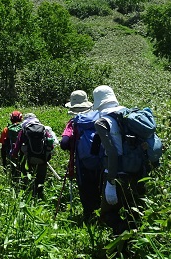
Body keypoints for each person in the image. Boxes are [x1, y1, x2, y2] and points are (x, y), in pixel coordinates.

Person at [91, 85, 147, 235]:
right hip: (138, 172)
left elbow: (112, 153)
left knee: (106, 214)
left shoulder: (102, 122)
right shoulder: (128, 114)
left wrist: (110, 182)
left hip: (118, 175)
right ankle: (132, 246)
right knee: (134, 213)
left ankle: (121, 241)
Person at [60, 89, 104, 225]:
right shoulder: (99, 118)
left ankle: (89, 219)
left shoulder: (73, 123)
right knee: (101, 188)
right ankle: (103, 217)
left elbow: (64, 143)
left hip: (83, 163)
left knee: (87, 191)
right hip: (102, 161)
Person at [17, 112, 58, 198]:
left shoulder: (24, 130)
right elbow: (51, 144)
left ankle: (29, 194)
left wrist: (13, 154)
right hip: (43, 158)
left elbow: (18, 145)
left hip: (29, 158)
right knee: (41, 177)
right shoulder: (43, 129)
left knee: (29, 176)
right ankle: (40, 194)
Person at [0, 111, 24, 186]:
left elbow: (3, 146)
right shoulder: (23, 129)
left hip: (11, 153)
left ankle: (14, 184)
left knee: (13, 171)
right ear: (20, 119)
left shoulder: (6, 129)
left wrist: (4, 162)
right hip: (22, 153)